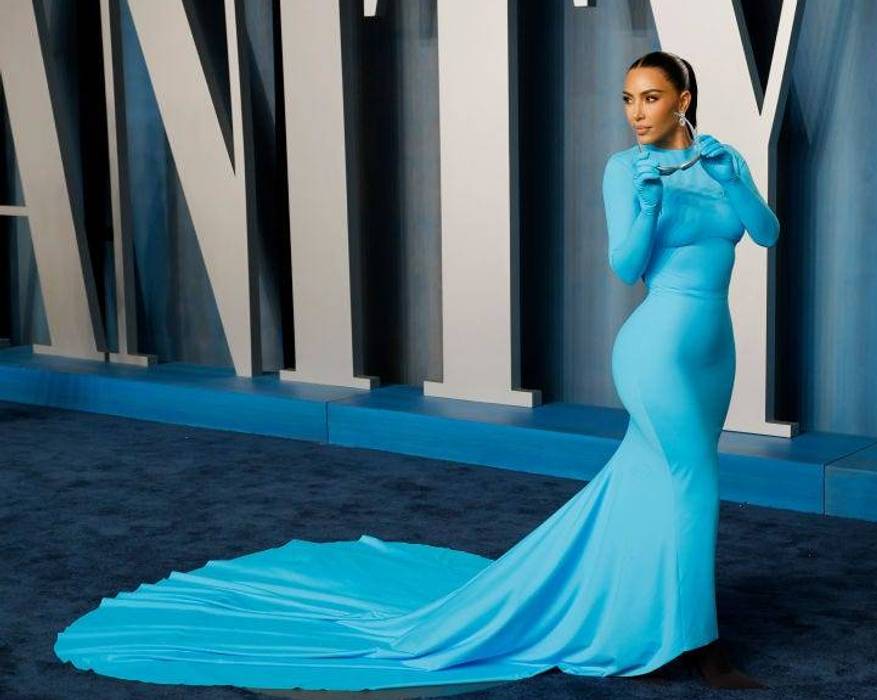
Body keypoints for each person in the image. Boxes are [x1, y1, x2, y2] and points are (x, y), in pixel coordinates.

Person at [53, 50, 779, 694]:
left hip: (714, 348)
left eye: (649, 97)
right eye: (626, 99)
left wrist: (729, 176)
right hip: (654, 348)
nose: (635, 113)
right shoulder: (625, 170)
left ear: (682, 98)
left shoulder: (724, 160)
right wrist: (649, 204)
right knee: (691, 482)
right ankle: (701, 646)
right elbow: (626, 267)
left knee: (651, 481)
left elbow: (765, 231)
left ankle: (632, 609)